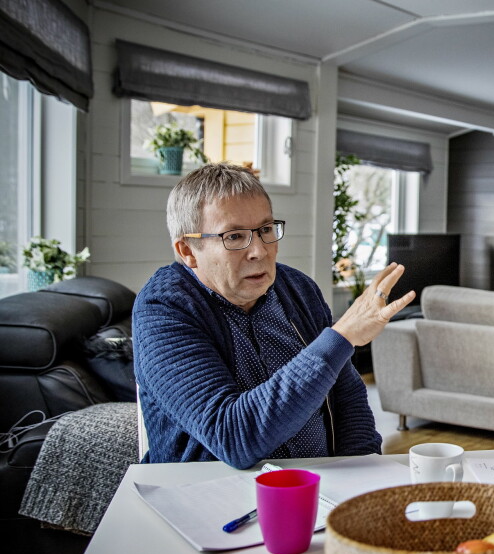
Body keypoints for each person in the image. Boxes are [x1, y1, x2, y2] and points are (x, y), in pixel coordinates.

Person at [133, 163, 414, 469]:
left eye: (265, 230)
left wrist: (361, 475)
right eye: (235, 237)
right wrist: (341, 338)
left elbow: (347, 397)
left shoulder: (299, 289)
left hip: (320, 489)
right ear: (188, 251)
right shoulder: (163, 309)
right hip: (210, 496)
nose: (259, 251)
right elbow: (234, 437)